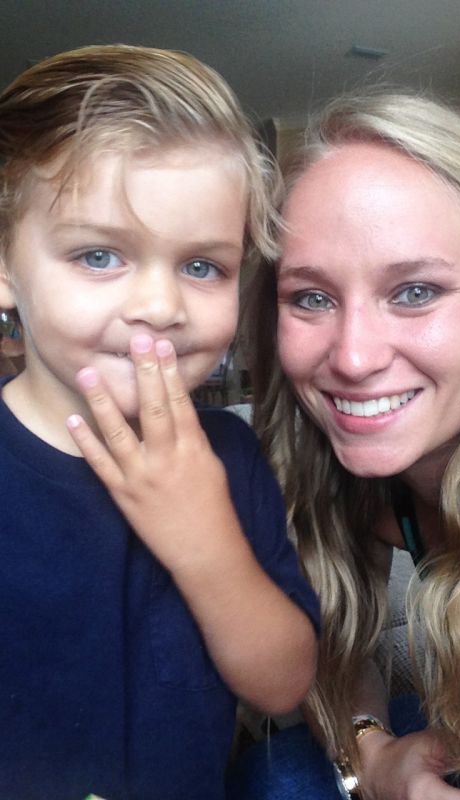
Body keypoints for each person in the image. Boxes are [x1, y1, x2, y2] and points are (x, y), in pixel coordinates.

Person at [228, 93, 460, 799]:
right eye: (311, 298)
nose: (353, 357)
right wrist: (371, 758)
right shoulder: (366, 475)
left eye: (416, 292)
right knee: (278, 776)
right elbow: (337, 649)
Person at [0, 44, 319, 800]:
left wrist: (207, 543)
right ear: (6, 268)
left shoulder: (231, 455)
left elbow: (284, 685)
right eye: (98, 255)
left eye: (203, 266)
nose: (160, 306)